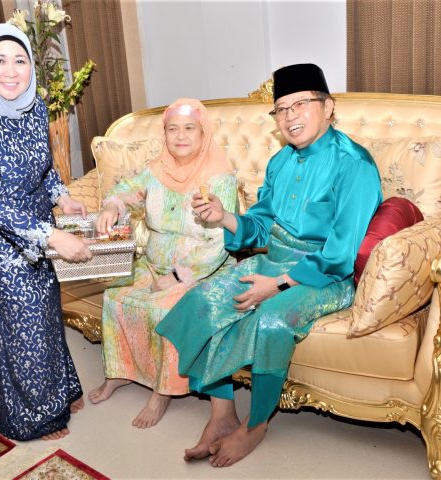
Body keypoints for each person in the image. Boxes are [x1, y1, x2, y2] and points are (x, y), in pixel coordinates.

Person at [156, 63, 383, 467]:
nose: (290, 116)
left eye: (301, 105)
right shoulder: (280, 162)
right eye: (281, 109)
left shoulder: (354, 164)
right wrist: (224, 217)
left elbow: (341, 254)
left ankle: (256, 424)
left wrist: (276, 286)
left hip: (324, 276)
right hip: (273, 261)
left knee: (271, 320)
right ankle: (222, 415)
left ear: (328, 107)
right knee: (203, 299)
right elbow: (260, 227)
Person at [0, 23, 92, 441]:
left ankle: (56, 391)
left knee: (44, 299)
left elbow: (42, 165)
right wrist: (53, 236)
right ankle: (31, 415)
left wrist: (62, 197)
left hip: (30, 218)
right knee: (26, 305)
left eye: (20, 61)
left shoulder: (34, 104)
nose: (11, 71)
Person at [88, 98, 238, 428]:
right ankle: (120, 371)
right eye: (173, 129)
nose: (180, 136)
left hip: (201, 270)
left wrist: (177, 276)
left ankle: (162, 391)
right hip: (153, 262)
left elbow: (220, 242)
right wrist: (112, 206)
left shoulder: (219, 179)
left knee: (166, 308)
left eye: (189, 128)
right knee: (115, 295)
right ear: (164, 134)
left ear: (203, 133)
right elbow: (125, 190)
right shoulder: (156, 170)